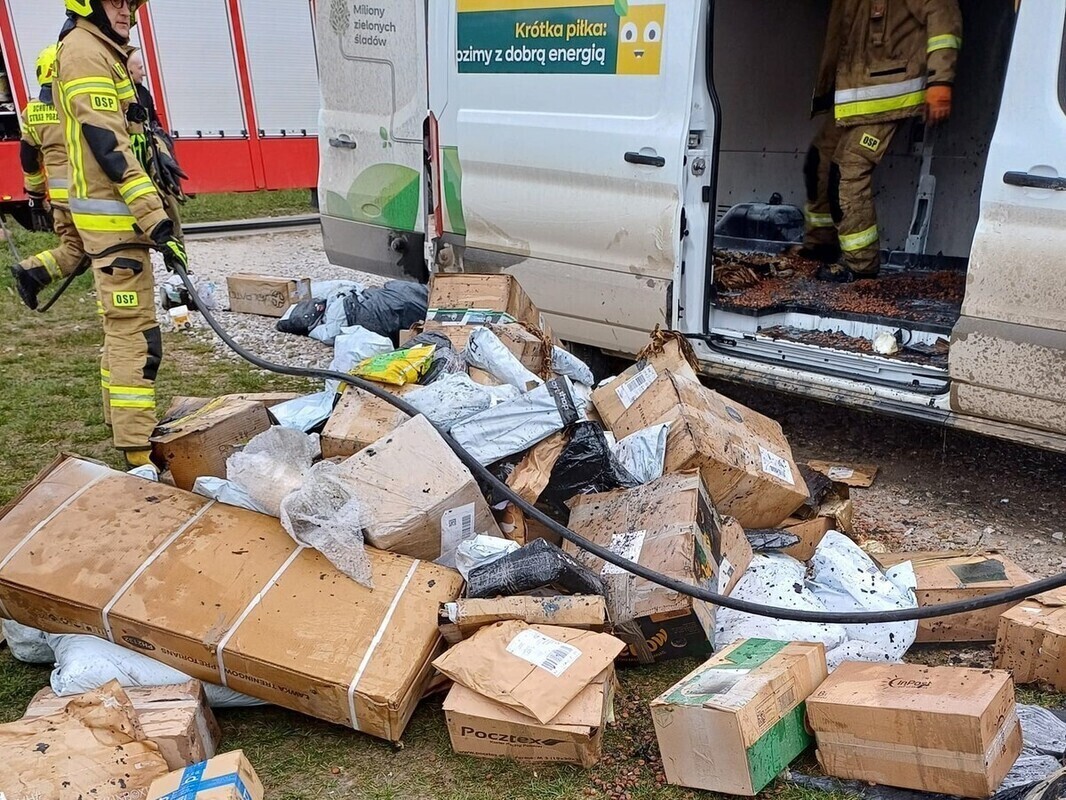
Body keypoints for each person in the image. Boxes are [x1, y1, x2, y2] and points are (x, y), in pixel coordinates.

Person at [56, 0, 188, 469]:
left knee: (121, 331)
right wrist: (155, 219)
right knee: (136, 336)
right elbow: (109, 147)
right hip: (116, 225)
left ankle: (122, 426)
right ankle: (137, 452)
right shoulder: (85, 52)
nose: (127, 12)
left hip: (120, 224)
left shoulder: (100, 50)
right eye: (116, 1)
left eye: (131, 4)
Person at [800, 0, 962, 282]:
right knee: (819, 162)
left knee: (848, 171)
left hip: (890, 92)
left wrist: (940, 81)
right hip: (856, 96)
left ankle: (861, 268)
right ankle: (821, 246)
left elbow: (943, 15)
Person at [9, 44, 87, 310]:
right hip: (88, 193)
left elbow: (29, 160)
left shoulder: (32, 112)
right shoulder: (80, 104)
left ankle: (31, 271)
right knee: (106, 252)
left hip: (61, 200)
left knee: (76, 250)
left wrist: (35, 196)